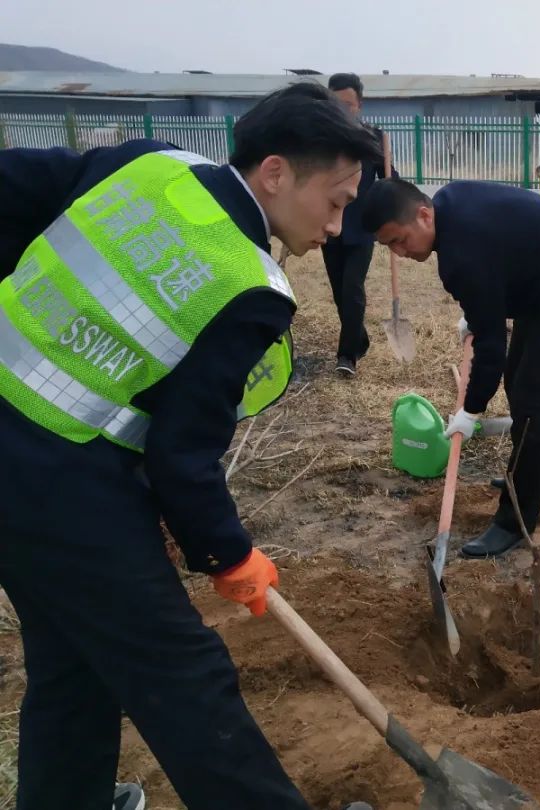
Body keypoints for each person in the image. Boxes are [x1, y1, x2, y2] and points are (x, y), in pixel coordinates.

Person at [0, 82, 381, 809]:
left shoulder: (148, 165)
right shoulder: (250, 285)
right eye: (334, 201)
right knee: (184, 674)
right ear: (275, 173)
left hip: (28, 468)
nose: (337, 226)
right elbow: (183, 454)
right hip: (58, 483)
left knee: (70, 667)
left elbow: (11, 185)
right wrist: (229, 555)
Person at [361, 178, 540, 557]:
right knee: (518, 384)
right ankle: (539, 476)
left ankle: (514, 520)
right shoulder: (449, 206)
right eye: (388, 246)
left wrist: (470, 410)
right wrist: (478, 312)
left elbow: (492, 346)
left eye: (399, 239)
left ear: (424, 214)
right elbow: (498, 265)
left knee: (533, 405)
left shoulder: (461, 255)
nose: (399, 252)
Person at [323, 72, 398, 376]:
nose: (342, 111)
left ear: (359, 105)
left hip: (361, 228)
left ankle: (347, 355)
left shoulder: (371, 139)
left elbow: (388, 178)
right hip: (329, 225)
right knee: (340, 292)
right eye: (335, 104)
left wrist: (389, 207)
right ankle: (360, 339)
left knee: (353, 288)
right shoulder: (321, 139)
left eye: (347, 105)